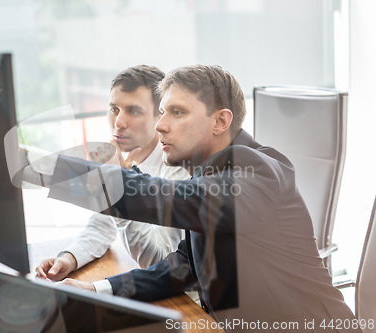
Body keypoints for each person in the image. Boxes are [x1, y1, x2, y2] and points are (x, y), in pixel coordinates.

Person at [25, 65, 359, 332]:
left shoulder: (255, 169)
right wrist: (97, 290)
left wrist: (41, 168)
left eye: (177, 113)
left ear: (220, 121)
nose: (160, 126)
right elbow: (183, 268)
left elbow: (166, 198)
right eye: (161, 113)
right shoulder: (208, 174)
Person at [35, 65, 189, 282]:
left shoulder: (179, 171)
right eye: (114, 109)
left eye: (133, 111)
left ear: (159, 117)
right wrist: (68, 258)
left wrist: (118, 188)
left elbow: (160, 262)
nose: (118, 123)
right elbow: (101, 226)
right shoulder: (123, 160)